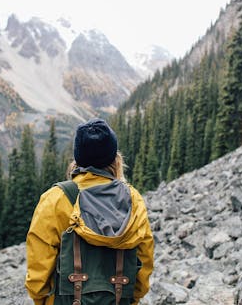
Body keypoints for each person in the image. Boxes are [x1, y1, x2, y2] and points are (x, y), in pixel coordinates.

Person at [25, 118, 154, 305]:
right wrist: (133, 298)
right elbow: (144, 258)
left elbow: (39, 264)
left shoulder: (55, 198)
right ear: (115, 158)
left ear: (77, 159)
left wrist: (41, 300)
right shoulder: (133, 199)